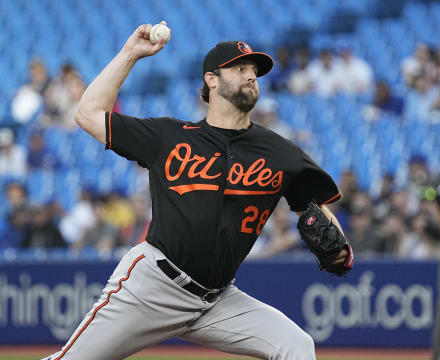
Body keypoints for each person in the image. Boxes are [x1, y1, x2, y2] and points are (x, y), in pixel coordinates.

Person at [44, 23, 350, 360]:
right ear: (212, 79)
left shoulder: (280, 152)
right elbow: (88, 114)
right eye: (240, 68)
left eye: (254, 71)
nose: (250, 76)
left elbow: (316, 209)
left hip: (217, 300)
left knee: (296, 345)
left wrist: (341, 251)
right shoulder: (169, 136)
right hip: (153, 286)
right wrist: (130, 53)